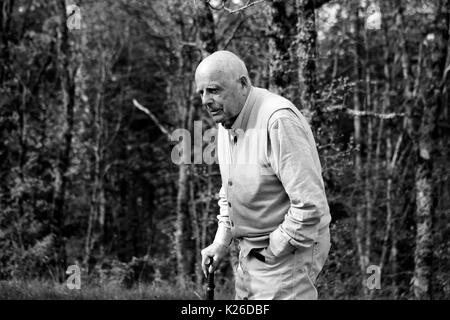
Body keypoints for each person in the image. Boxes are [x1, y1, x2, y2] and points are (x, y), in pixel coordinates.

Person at [196, 50, 331, 300]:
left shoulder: (277, 120)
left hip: (286, 254)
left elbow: (310, 205)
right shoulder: (227, 121)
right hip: (251, 255)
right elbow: (231, 192)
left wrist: (272, 249)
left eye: (213, 90)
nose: (206, 100)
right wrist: (221, 242)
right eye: (201, 93)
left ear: (243, 84)